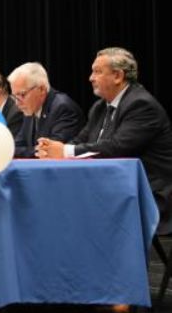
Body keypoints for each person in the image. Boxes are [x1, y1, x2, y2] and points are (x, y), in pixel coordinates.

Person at [36, 47, 172, 232]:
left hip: (148, 193)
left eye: (97, 71)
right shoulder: (100, 107)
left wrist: (65, 151)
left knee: (71, 206)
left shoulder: (141, 105)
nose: (90, 78)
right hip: (113, 186)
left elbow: (117, 148)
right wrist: (53, 149)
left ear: (118, 76)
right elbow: (81, 139)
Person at [7, 62, 85, 158]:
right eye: (15, 96)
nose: (17, 103)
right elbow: (15, 147)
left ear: (42, 89)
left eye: (22, 95)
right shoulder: (30, 108)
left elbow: (49, 151)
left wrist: (29, 150)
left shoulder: (63, 108)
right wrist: (32, 150)